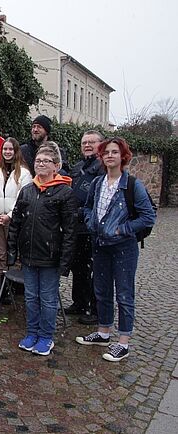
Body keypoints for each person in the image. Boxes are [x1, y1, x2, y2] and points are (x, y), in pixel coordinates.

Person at [76, 137, 155, 362]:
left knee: (124, 294)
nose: (110, 156)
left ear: (123, 157)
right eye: (106, 152)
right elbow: (88, 207)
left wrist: (122, 230)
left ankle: (123, 342)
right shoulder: (98, 183)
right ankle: (103, 332)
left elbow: (148, 217)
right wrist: (91, 222)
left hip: (124, 248)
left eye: (114, 152)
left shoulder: (132, 185)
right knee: (101, 290)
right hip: (100, 245)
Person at [8, 143, 76, 356]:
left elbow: (70, 231)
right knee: (30, 297)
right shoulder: (27, 191)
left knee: (47, 298)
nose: (41, 164)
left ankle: (46, 336)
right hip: (29, 256)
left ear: (56, 166)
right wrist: (12, 251)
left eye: (46, 161)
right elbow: (16, 223)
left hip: (50, 258)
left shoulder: (64, 192)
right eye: (38, 160)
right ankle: (32, 332)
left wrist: (65, 262)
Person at [66, 130, 106, 325]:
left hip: (92, 228)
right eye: (84, 143)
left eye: (92, 142)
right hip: (76, 228)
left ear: (101, 145)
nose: (87, 145)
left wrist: (82, 213)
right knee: (78, 268)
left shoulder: (104, 168)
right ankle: (79, 303)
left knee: (93, 270)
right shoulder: (78, 167)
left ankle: (95, 309)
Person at [0, 138, 32, 290]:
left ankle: (14, 285)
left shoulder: (24, 173)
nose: (7, 152)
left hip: (14, 220)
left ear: (16, 151)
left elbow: (22, 197)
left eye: (10, 149)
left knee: (14, 253)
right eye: (5, 149)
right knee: (0, 253)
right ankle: (2, 285)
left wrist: (9, 215)